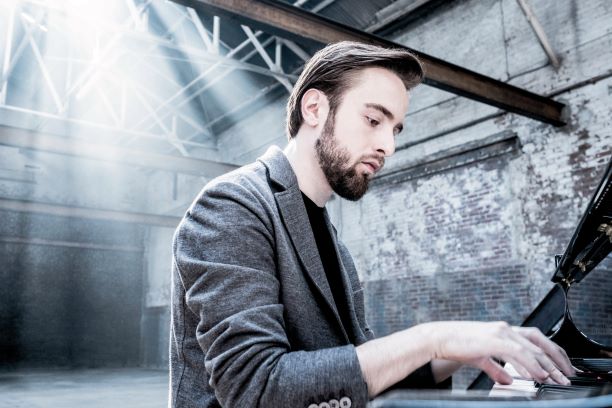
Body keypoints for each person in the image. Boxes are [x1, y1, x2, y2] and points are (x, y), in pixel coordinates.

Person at [169, 41, 574, 408]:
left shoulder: (331, 239)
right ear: (315, 109)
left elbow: (356, 372)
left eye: (395, 129)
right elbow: (255, 388)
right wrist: (431, 339)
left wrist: (453, 353)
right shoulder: (231, 204)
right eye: (373, 120)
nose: (389, 146)